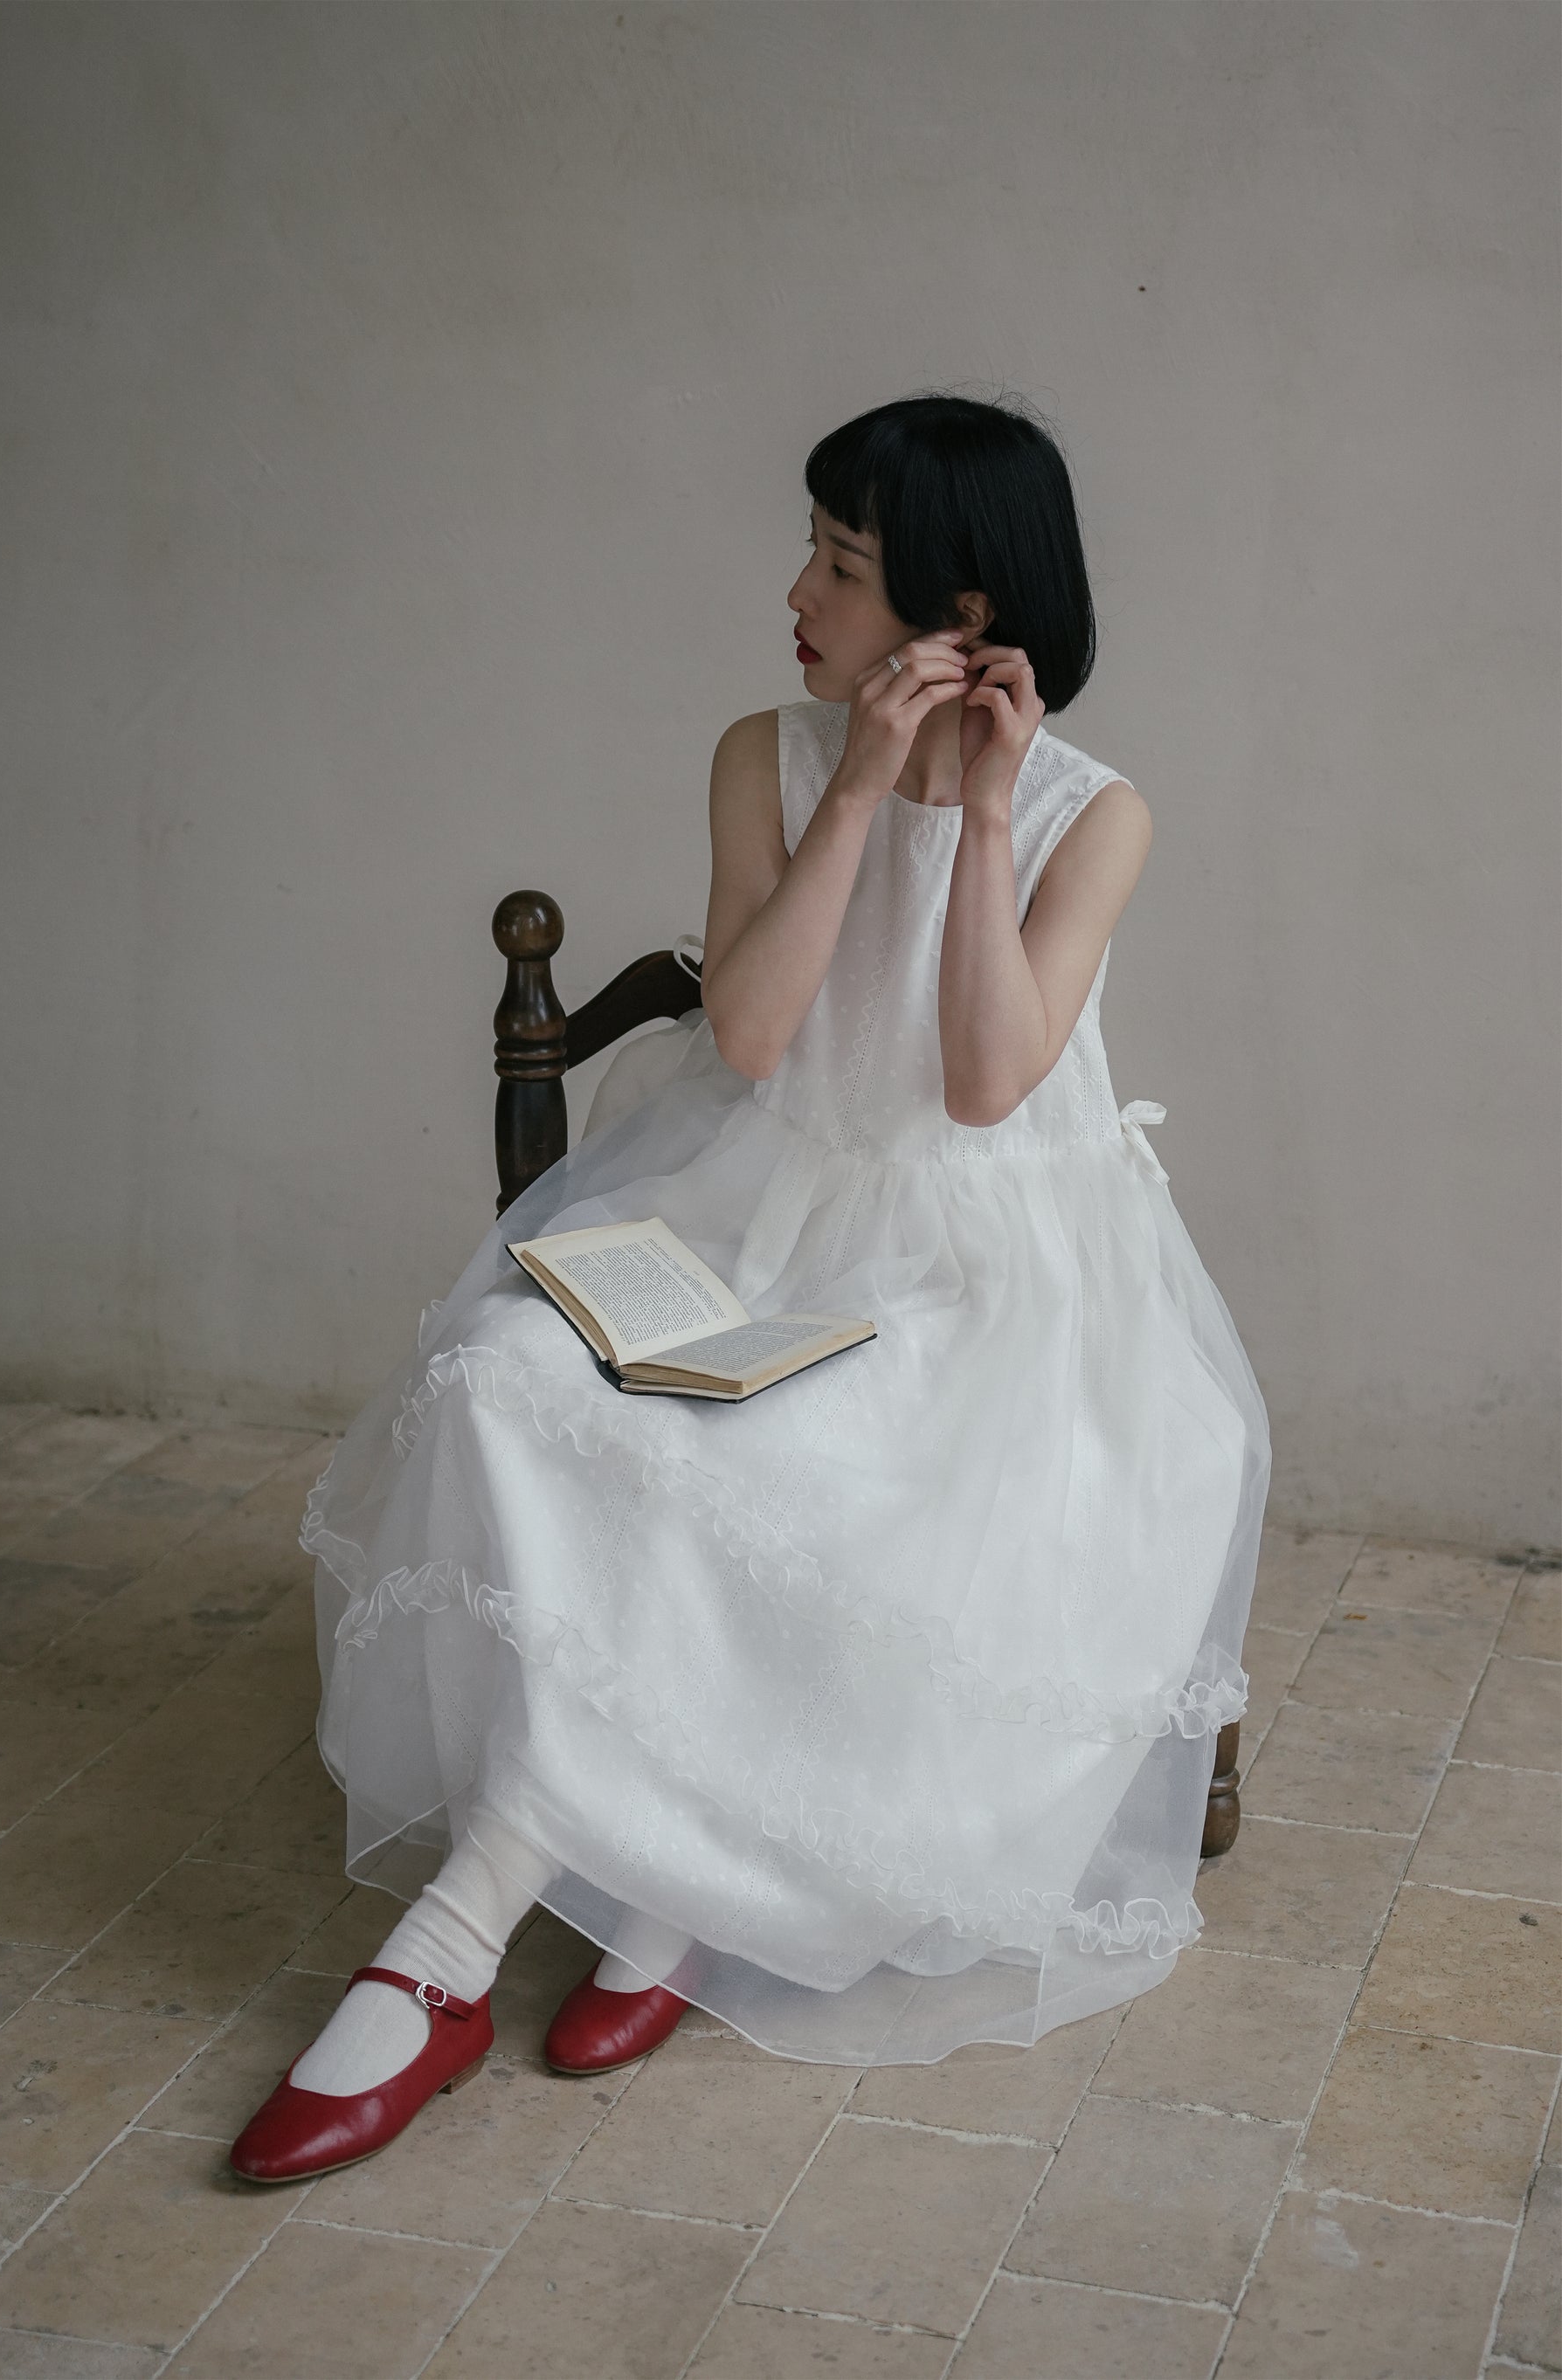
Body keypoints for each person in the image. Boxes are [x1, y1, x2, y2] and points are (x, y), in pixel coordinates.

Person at [231, 390, 1270, 2187]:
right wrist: (860, 782)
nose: (797, 591)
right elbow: (759, 1035)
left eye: (842, 565)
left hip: (978, 1271)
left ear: (959, 612)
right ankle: (663, 1895)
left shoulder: (1094, 817)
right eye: (812, 548)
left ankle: (457, 1948)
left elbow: (978, 1083)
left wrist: (980, 811)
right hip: (752, 1206)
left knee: (806, 1462)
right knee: (508, 1373)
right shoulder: (761, 753)